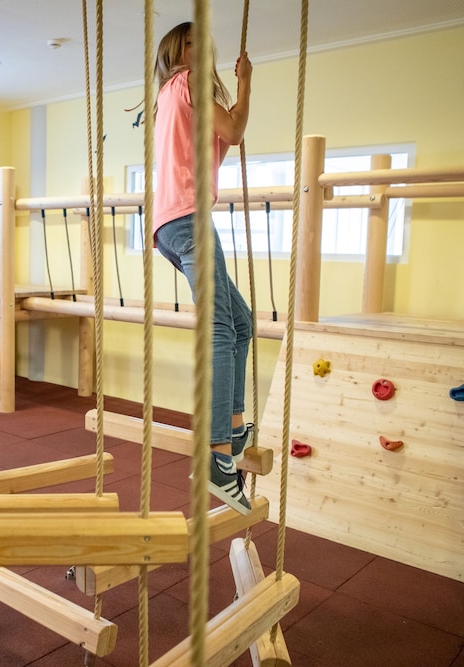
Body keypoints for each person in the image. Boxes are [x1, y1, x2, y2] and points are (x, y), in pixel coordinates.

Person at [153, 22, 254, 514]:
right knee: (219, 328)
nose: (208, 46)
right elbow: (234, 128)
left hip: (174, 224)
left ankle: (232, 429)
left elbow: (225, 136)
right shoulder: (187, 80)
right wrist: (247, 84)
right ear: (180, 51)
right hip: (188, 217)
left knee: (241, 321)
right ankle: (217, 456)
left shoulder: (175, 94)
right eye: (199, 42)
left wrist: (235, 95)